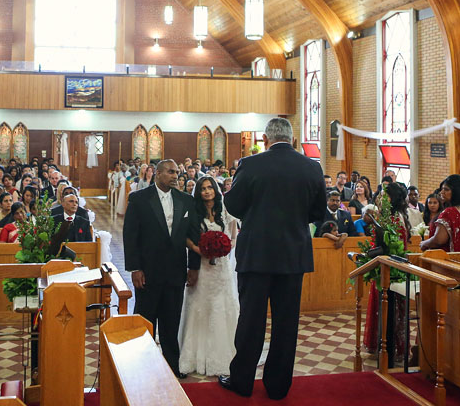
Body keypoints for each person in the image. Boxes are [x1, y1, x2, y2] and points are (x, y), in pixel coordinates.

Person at [219, 118, 326, 399]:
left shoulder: (251, 164)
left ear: (266, 139)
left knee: (251, 319)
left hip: (257, 253)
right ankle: (278, 386)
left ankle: (242, 381)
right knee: (286, 322)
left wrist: (255, 215)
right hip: (293, 255)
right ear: (292, 139)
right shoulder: (311, 167)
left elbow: (232, 203)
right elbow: (318, 213)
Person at [123, 159, 193, 379]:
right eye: (171, 172)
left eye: (177, 172)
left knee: (171, 321)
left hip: (175, 270)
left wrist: (194, 267)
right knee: (145, 319)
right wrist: (135, 268)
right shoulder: (139, 199)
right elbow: (131, 236)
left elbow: (192, 236)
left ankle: (172, 366)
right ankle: (141, 365)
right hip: (149, 271)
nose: (175, 176)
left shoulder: (185, 200)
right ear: (158, 174)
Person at [178, 175, 238, 376]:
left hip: (220, 268)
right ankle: (194, 354)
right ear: (199, 192)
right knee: (200, 306)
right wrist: (197, 248)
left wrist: (223, 249)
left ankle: (222, 353)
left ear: (215, 190)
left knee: (221, 305)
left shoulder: (225, 212)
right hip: (201, 266)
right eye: (203, 188)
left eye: (209, 188)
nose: (206, 191)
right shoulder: (194, 212)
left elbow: (233, 236)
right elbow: (184, 235)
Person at [420, 175, 460, 252]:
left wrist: (424, 243)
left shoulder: (449, 212)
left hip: (445, 257)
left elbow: (439, 240)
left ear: (456, 192)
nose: (442, 192)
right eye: (442, 189)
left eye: (446, 189)